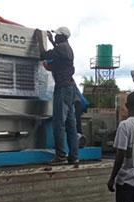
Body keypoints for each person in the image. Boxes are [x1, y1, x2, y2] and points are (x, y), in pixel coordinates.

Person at [40, 27, 79, 165]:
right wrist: (51, 40)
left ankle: (61, 155)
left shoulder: (61, 48)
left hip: (62, 89)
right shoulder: (66, 48)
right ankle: (73, 156)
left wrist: (40, 39)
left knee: (58, 123)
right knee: (70, 124)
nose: (55, 37)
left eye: (56, 35)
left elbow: (43, 55)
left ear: (62, 37)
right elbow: (58, 60)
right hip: (70, 89)